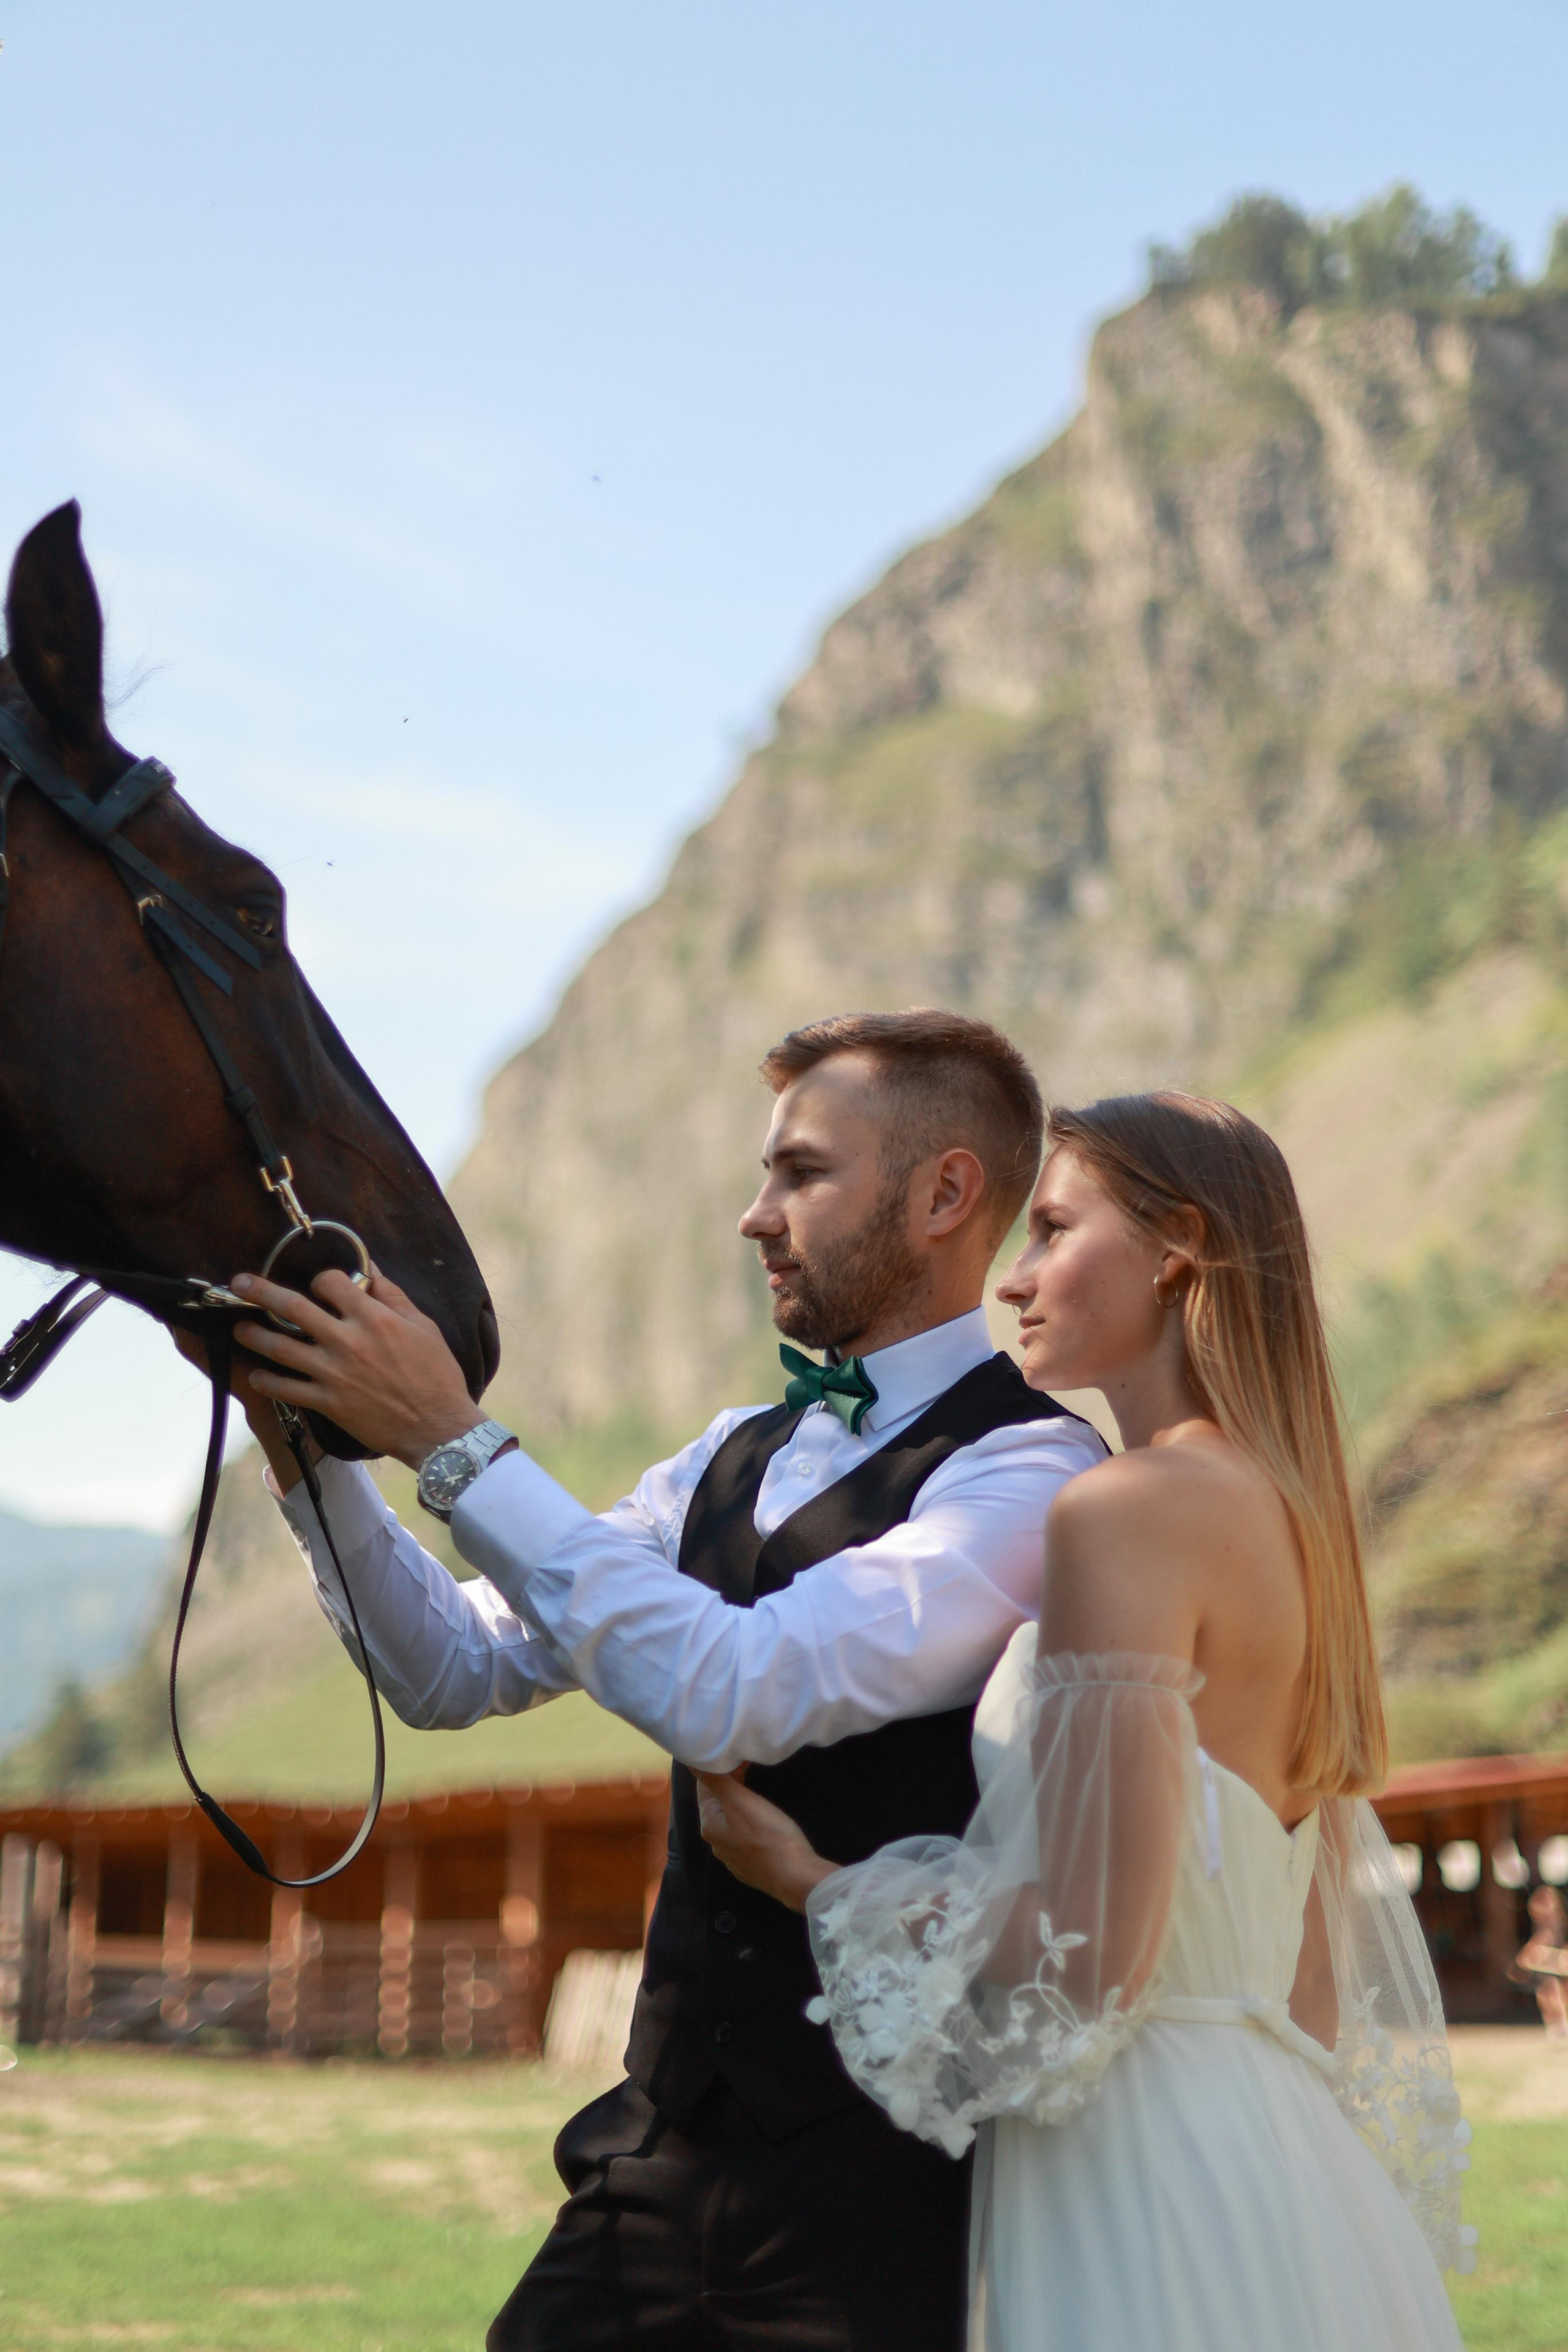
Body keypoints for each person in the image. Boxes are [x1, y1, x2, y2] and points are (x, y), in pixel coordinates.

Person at [222, 1009, 1107, 2352]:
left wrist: (455, 1443)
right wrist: (308, 1449)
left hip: (898, 2181)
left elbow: (736, 1691)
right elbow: (451, 1670)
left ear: (943, 1194)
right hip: (659, 2142)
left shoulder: (1030, 1474)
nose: (755, 1216)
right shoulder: (719, 1459)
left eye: (801, 1173)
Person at [696, 1091, 1475, 2352]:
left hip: (1137, 2169)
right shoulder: (1295, 1524)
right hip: (1283, 2164)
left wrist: (810, 1880)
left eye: (1053, 1230)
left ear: (1176, 1249)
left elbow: (1084, 1961)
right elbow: (1312, 1988)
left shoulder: (1124, 1512)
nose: (1013, 1280)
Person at [1510, 1884, 1568, 2040]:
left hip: (1556, 1964)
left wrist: (1528, 1954)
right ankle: (1555, 2025)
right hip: (1547, 1966)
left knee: (1554, 1993)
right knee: (1546, 1994)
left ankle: (1561, 2024)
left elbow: (1545, 1940)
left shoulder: (1555, 1921)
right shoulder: (1541, 1923)